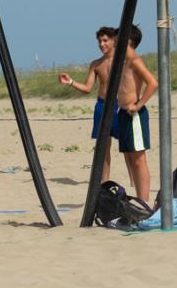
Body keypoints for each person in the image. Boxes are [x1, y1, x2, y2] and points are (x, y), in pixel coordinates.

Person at [59, 25, 158, 200]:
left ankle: (143, 200)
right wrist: (72, 82)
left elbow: (153, 83)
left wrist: (138, 105)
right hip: (116, 110)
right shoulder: (114, 63)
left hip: (131, 113)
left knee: (137, 159)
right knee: (121, 152)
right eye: (101, 41)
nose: (107, 44)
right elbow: (90, 87)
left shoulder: (133, 60)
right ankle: (130, 195)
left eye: (113, 40)